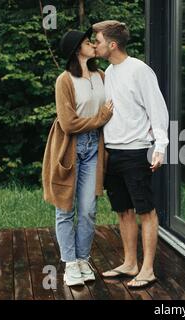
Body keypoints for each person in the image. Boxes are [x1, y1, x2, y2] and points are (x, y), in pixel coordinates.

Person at [92, 20, 169, 289]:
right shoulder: (109, 72)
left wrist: (160, 147)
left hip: (137, 152)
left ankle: (147, 269)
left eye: (98, 41)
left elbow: (157, 109)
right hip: (113, 153)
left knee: (145, 210)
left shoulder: (139, 70)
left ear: (112, 44)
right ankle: (129, 263)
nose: (95, 45)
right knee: (123, 211)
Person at [42, 28, 114, 286]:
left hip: (95, 146)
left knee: (88, 210)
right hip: (69, 147)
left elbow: (116, 108)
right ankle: (70, 264)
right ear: (76, 50)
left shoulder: (101, 75)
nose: (93, 44)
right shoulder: (65, 80)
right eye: (87, 42)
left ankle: (83, 259)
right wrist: (100, 119)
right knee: (65, 208)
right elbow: (69, 123)